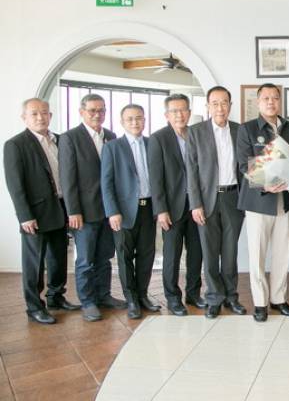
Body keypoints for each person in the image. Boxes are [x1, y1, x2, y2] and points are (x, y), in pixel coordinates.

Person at [4, 98, 80, 324]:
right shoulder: (15, 144)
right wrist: (24, 216)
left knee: (58, 257)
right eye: (34, 114)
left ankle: (56, 297)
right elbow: (15, 184)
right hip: (35, 214)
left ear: (50, 115)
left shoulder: (60, 140)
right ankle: (34, 307)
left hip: (61, 208)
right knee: (34, 263)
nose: (40, 117)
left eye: (44, 113)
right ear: (24, 118)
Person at [59, 94, 126, 322]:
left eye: (102, 110)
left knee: (105, 257)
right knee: (85, 260)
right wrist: (73, 211)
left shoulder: (111, 136)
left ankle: (103, 295)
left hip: (108, 210)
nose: (98, 114)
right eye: (92, 110)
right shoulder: (70, 138)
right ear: (82, 112)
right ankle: (88, 302)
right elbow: (67, 179)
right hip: (84, 212)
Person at [237, 83, 289, 322]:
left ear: (280, 101)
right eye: (266, 98)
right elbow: (244, 164)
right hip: (259, 201)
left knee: (282, 253)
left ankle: (278, 299)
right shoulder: (247, 129)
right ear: (258, 102)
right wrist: (265, 185)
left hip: (284, 200)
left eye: (275, 98)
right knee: (258, 254)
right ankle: (260, 303)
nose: (271, 102)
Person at [187, 86, 246, 319]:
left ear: (230, 105)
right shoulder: (196, 132)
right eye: (215, 103)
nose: (220, 108)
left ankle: (231, 296)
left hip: (233, 198)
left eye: (224, 103)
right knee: (210, 252)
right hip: (206, 200)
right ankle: (214, 298)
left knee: (230, 253)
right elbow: (191, 171)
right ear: (208, 106)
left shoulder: (240, 131)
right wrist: (195, 204)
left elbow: (248, 166)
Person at [101, 104, 158, 319]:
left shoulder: (152, 144)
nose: (135, 122)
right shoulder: (112, 147)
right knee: (124, 256)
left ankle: (142, 295)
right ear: (122, 122)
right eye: (130, 119)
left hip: (149, 208)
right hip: (123, 212)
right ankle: (131, 299)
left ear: (144, 120)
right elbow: (106, 183)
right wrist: (112, 211)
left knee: (146, 254)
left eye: (139, 118)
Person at [148, 94, 203, 316]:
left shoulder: (196, 134)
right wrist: (160, 210)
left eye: (183, 110)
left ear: (189, 112)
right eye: (174, 111)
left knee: (196, 253)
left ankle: (193, 293)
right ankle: (172, 298)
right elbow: (155, 178)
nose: (179, 115)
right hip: (171, 207)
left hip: (197, 205)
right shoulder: (158, 138)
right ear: (167, 115)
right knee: (171, 255)